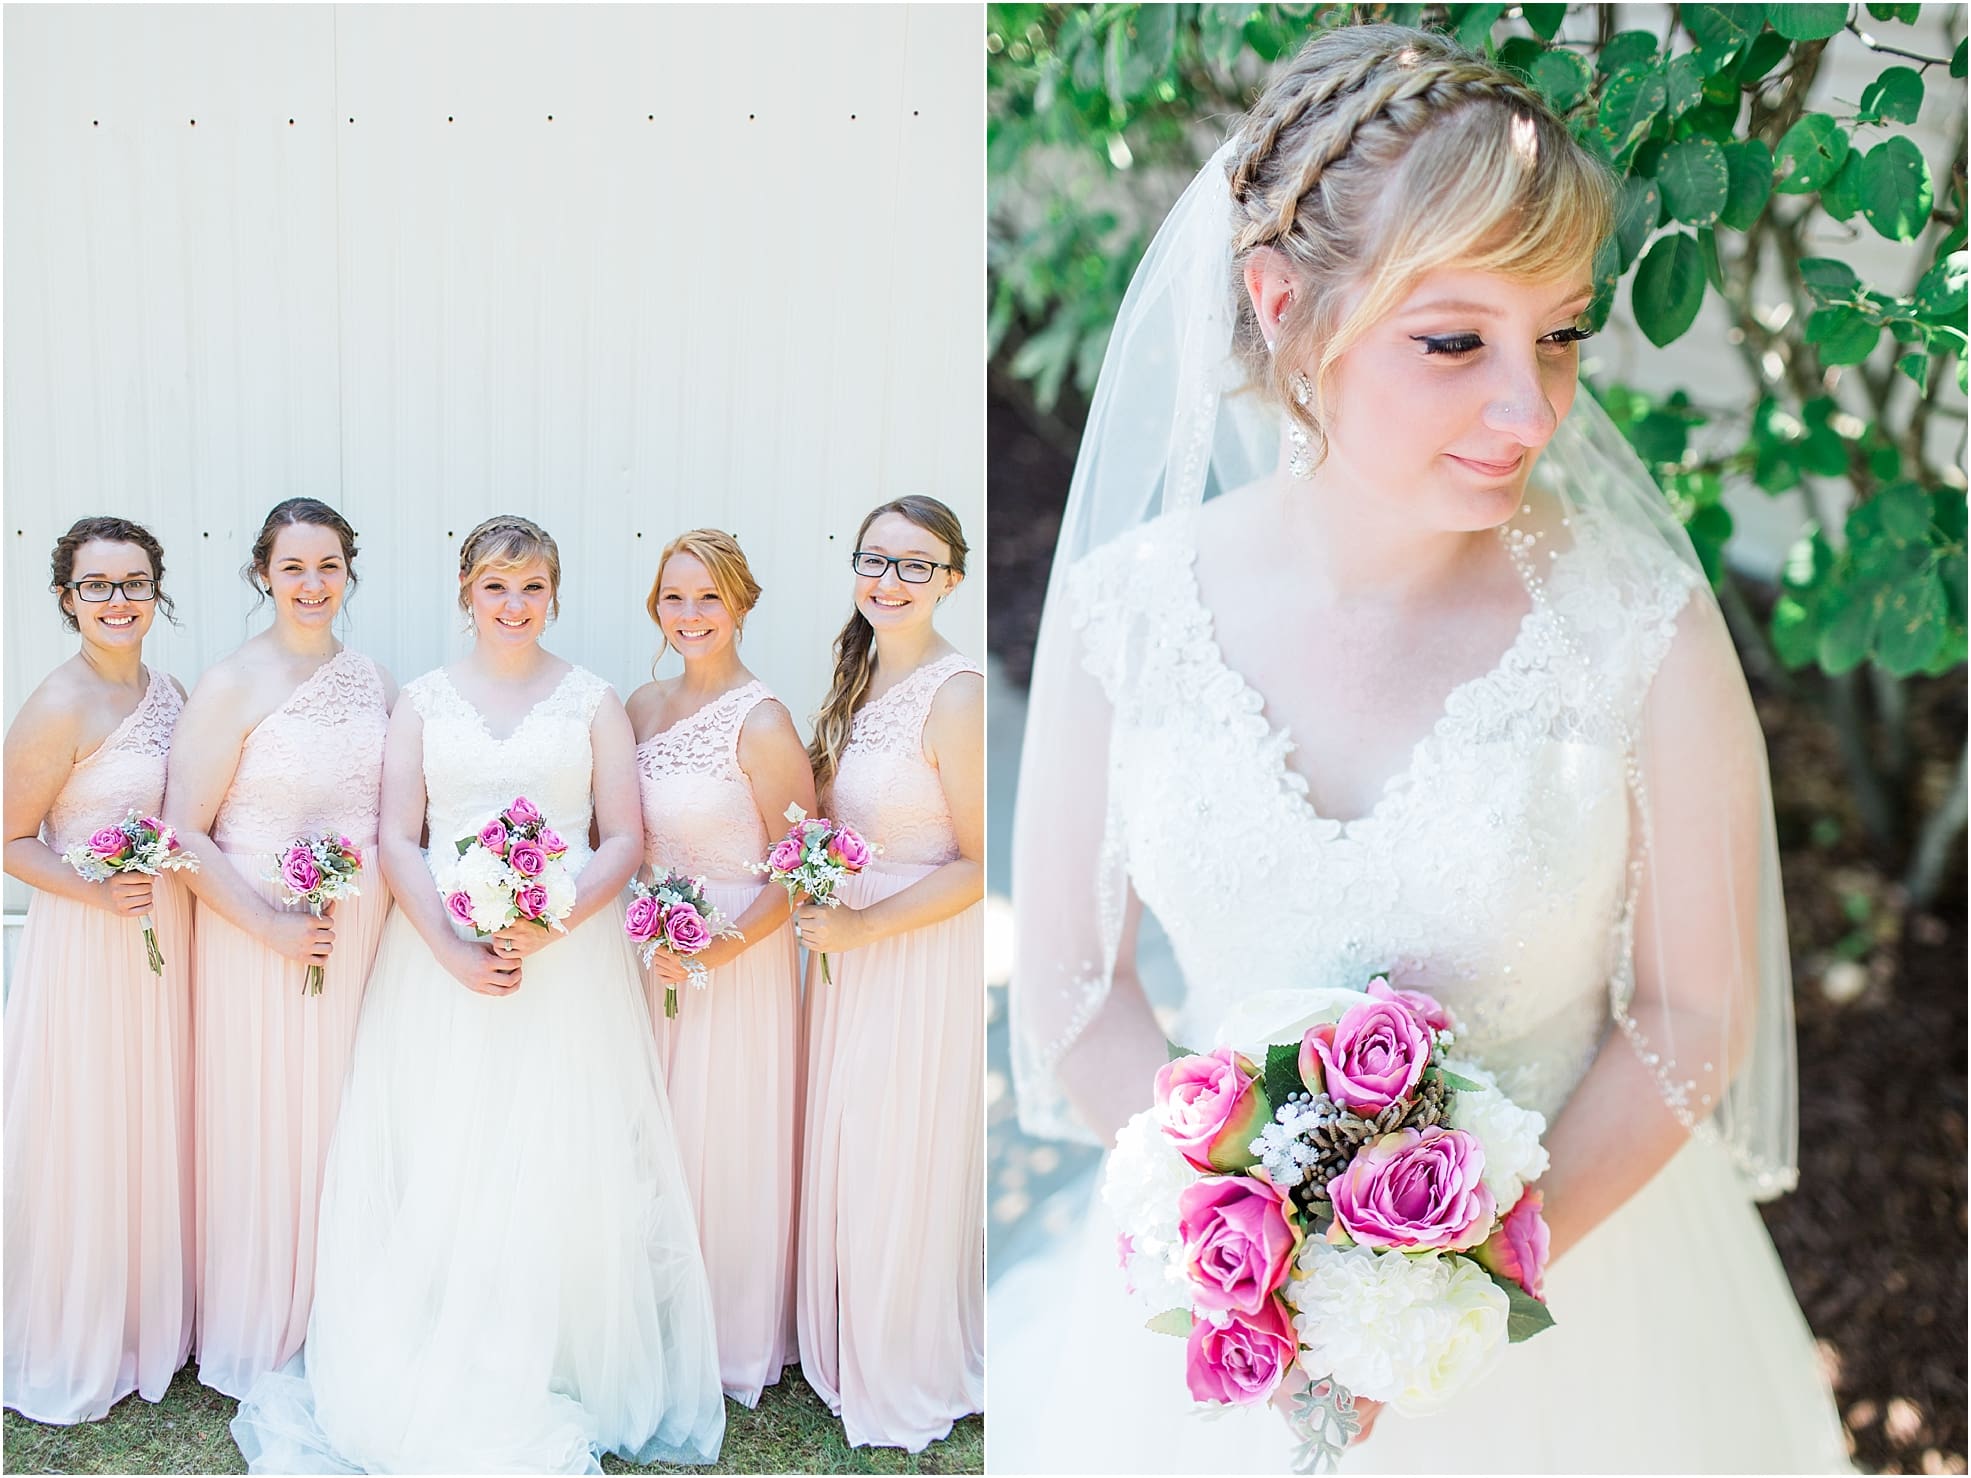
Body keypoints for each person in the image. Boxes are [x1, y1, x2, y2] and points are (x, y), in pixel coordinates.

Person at [997, 23, 1850, 1474]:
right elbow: (1076, 992)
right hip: (1219, 1330)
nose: (1526, 407)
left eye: (1558, 333)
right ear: (1281, 308)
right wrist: (1247, 1266)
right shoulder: (1123, 616)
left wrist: (1438, 1284)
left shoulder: (1632, 626)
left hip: (1587, 1321)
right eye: (1452, 339)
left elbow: (1687, 1020)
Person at [230, 515, 724, 1473]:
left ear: (554, 594)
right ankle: (440, 1341)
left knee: (556, 1147)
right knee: (447, 1143)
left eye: (532, 587)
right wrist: (452, 947)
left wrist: (557, 916)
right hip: (440, 957)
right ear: (466, 594)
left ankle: (562, 1351)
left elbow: (621, 835)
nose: (513, 605)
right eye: (495, 587)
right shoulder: (422, 700)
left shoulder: (591, 700)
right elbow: (398, 837)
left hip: (566, 960)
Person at [162, 498, 396, 1398]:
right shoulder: (231, 683)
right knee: (269, 1114)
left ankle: (342, 1308)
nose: (311, 584)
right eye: (293, 566)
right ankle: (263, 1312)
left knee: (345, 1114)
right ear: (263, 573)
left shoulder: (373, 680)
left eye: (328, 565)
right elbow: (183, 831)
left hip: (355, 930)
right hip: (256, 931)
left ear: (348, 573)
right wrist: (271, 927)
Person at [795, 495, 986, 1450]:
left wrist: (864, 930)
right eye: (876, 559)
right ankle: (845, 1331)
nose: (891, 580)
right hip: (849, 948)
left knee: (892, 1145)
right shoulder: (860, 679)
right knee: (851, 1140)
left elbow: (981, 865)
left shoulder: (958, 695)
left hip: (911, 954)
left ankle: (900, 1350)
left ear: (952, 578)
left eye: (917, 565)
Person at [3, 517, 194, 1422]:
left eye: (134, 582)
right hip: (90, 941)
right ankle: (84, 1324)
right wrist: (92, 884)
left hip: (161, 941)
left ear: (157, 590)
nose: (117, 601)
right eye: (97, 585)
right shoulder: (58, 702)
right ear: (65, 597)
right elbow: (9, 841)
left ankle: (154, 1311)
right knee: (94, 1125)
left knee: (154, 1118)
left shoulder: (172, 690)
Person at [628, 528, 813, 1406]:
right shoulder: (640, 706)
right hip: (645, 955)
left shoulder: (764, 720)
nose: (690, 615)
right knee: (648, 1137)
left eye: (708, 597)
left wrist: (717, 947)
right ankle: (648, 1323)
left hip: (736, 964)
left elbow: (798, 868)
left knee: (719, 1140)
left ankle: (727, 1331)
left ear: (740, 603)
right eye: (674, 598)